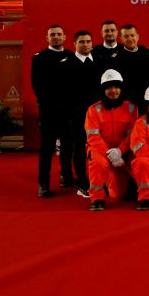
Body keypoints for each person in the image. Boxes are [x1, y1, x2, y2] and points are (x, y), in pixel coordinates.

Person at [85, 69, 139, 211]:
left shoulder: (131, 108)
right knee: (98, 163)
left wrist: (120, 151)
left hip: (122, 153)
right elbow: (93, 137)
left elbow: (132, 135)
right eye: (109, 87)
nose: (113, 91)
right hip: (100, 151)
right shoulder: (93, 110)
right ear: (103, 90)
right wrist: (110, 154)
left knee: (119, 195)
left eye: (116, 87)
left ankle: (110, 181)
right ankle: (97, 199)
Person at [31, 24, 71, 198]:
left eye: (59, 34)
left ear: (64, 37)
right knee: (47, 148)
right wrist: (51, 104)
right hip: (49, 111)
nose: (56, 37)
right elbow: (37, 86)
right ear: (47, 38)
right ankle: (43, 183)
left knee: (68, 146)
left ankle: (66, 176)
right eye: (52, 34)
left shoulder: (71, 56)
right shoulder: (39, 58)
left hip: (68, 111)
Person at [61, 30, 100, 197]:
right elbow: (64, 94)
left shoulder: (98, 61)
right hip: (77, 116)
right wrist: (69, 117)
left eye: (88, 41)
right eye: (82, 42)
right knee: (79, 149)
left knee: (97, 147)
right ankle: (83, 183)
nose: (85, 44)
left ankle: (99, 180)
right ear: (74, 44)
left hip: (98, 115)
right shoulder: (67, 65)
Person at [115, 23, 149, 111]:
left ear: (137, 36)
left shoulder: (146, 52)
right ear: (121, 38)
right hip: (128, 102)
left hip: (148, 99)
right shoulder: (117, 58)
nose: (130, 38)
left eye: (132, 35)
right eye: (126, 36)